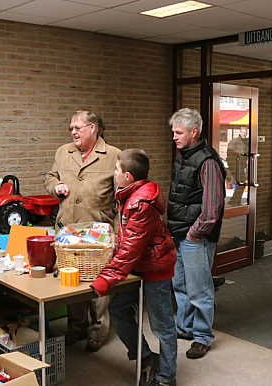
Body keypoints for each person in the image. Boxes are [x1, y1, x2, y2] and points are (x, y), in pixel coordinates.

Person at [91, 149, 177, 386]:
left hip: (155, 269)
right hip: (139, 267)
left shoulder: (141, 203)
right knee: (119, 310)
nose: (114, 173)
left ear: (128, 176)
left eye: (116, 170)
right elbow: (129, 239)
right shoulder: (130, 194)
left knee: (162, 327)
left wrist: (104, 280)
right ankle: (146, 358)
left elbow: (131, 249)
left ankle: (166, 378)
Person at [44, 110, 120, 352]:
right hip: (68, 229)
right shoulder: (62, 152)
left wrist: (118, 233)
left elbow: (121, 199)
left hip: (98, 231)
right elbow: (50, 177)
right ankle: (76, 327)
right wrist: (56, 185)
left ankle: (97, 331)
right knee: (71, 279)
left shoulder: (113, 155)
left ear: (92, 128)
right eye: (71, 128)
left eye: (78, 127)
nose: (73, 132)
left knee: (99, 285)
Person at [167, 108, 226, 360]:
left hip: (195, 237)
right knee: (180, 285)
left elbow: (212, 208)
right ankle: (185, 328)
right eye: (173, 132)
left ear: (194, 132)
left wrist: (195, 233)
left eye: (179, 133)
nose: (174, 137)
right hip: (179, 233)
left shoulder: (208, 161)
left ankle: (202, 337)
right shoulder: (182, 157)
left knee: (199, 290)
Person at [226, 126, 248, 204]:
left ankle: (235, 200)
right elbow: (229, 155)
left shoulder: (246, 142)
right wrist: (232, 166)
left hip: (242, 166)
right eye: (243, 132)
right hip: (235, 166)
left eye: (246, 133)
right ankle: (234, 200)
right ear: (240, 132)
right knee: (241, 183)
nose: (244, 134)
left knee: (241, 183)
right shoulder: (234, 142)